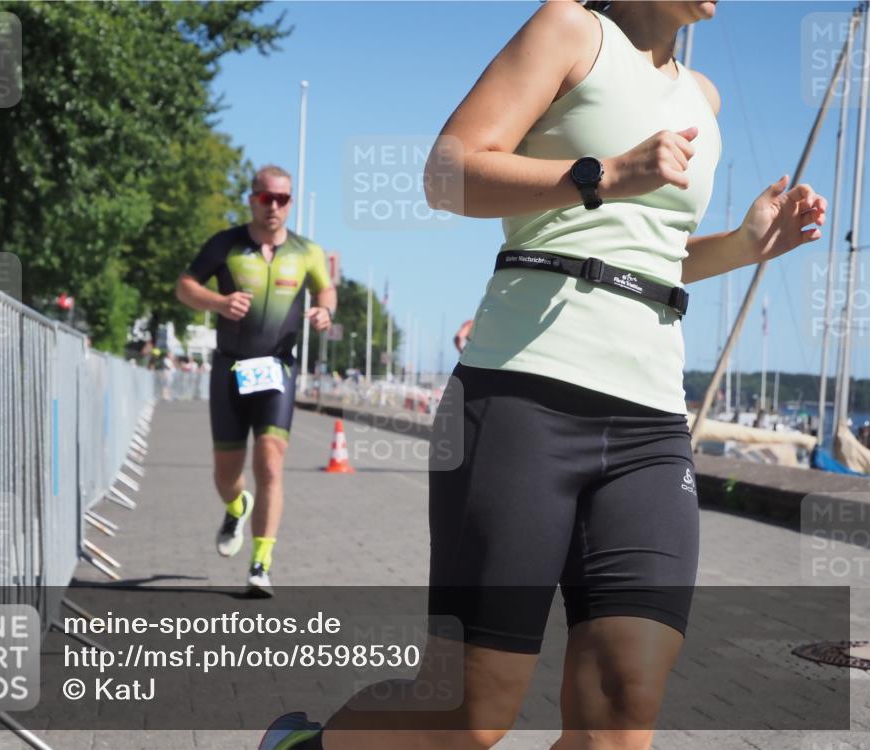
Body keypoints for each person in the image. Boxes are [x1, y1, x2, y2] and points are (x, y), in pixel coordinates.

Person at [261, 0, 826, 747]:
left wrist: (745, 244)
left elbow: (649, 252)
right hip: (523, 396)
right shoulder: (569, 29)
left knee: (625, 708)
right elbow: (445, 174)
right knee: (471, 714)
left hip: (651, 423)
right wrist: (604, 171)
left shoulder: (704, 98)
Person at [176, 164, 336, 596]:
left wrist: (326, 311)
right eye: (267, 198)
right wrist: (219, 301)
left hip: (277, 368)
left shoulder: (307, 251)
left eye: (283, 199)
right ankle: (236, 507)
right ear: (252, 199)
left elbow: (326, 289)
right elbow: (185, 287)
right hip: (230, 368)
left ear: (290, 202)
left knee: (269, 462)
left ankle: (260, 563)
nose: (274, 207)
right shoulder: (226, 244)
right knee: (227, 473)